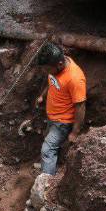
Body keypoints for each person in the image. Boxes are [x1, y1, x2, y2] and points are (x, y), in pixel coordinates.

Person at [35, 42, 86, 175]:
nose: (45, 72)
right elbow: (52, 81)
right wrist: (42, 96)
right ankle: (52, 167)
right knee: (50, 144)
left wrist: (75, 132)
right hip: (52, 116)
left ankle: (46, 182)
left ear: (60, 64)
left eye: (47, 69)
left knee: (47, 150)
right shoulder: (56, 67)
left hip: (63, 122)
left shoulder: (75, 78)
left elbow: (80, 106)